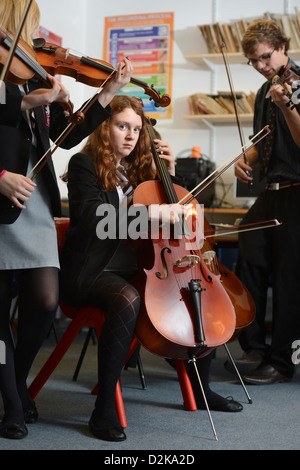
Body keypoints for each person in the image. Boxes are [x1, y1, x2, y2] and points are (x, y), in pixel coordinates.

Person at [59, 94, 242, 443]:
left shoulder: (142, 170)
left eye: (136, 128)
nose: (130, 135)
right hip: (91, 273)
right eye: (121, 126)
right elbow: (96, 219)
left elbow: (181, 220)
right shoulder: (84, 165)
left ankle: (202, 389)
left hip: (140, 270)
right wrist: (154, 214)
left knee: (195, 288)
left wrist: (169, 176)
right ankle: (103, 411)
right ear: (103, 127)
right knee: (127, 298)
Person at [0, 0, 133, 440]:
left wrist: (106, 94)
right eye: (29, 23)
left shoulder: (32, 69)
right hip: (1, 190)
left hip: (34, 199)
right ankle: (13, 405)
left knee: (43, 300)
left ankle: (16, 383)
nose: (36, 37)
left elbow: (65, 134)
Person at [234, 19, 300, 385]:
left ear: (282, 47)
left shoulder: (297, 84)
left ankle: (281, 361)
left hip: (298, 190)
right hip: (271, 191)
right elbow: (265, 140)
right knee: (249, 250)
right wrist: (247, 159)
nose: (260, 66)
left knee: (290, 278)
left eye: (264, 57)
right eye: (253, 61)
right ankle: (254, 347)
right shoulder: (264, 91)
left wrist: (288, 103)